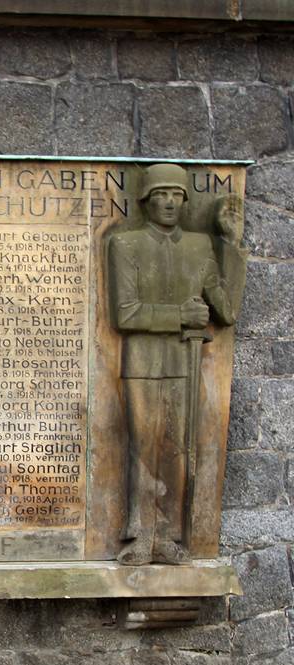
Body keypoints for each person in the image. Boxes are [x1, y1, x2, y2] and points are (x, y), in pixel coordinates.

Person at [107, 163, 246, 566]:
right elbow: (125, 314)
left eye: (176, 195)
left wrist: (231, 245)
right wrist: (181, 315)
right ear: (147, 200)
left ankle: (167, 537)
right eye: (161, 194)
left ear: (185, 201)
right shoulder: (127, 245)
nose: (169, 202)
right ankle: (139, 534)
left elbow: (226, 310)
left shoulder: (200, 246)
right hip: (143, 363)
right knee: (143, 448)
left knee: (177, 450)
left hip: (186, 362)